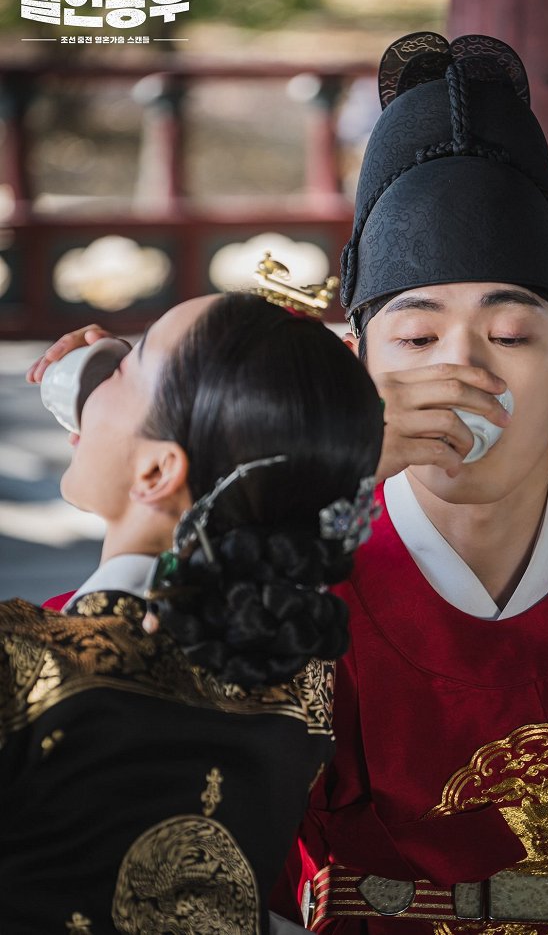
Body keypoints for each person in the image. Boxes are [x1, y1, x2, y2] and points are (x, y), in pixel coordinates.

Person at [266, 33, 548, 934]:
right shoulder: (294, 564)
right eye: (413, 339)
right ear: (352, 364)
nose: (462, 372)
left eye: (512, 336)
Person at [2, 291, 383, 934]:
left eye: (124, 365)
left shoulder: (23, 662)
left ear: (155, 469)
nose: (96, 364)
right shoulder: (300, 681)